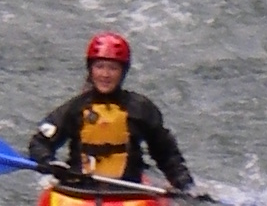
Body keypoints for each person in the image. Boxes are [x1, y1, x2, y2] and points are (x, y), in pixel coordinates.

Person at [28, 31, 195, 194]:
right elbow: (40, 142)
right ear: (90, 69)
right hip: (78, 190)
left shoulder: (140, 108)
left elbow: (166, 153)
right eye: (99, 67)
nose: (105, 74)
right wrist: (48, 162)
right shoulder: (75, 108)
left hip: (128, 193)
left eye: (113, 68)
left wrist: (184, 184)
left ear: (123, 71)